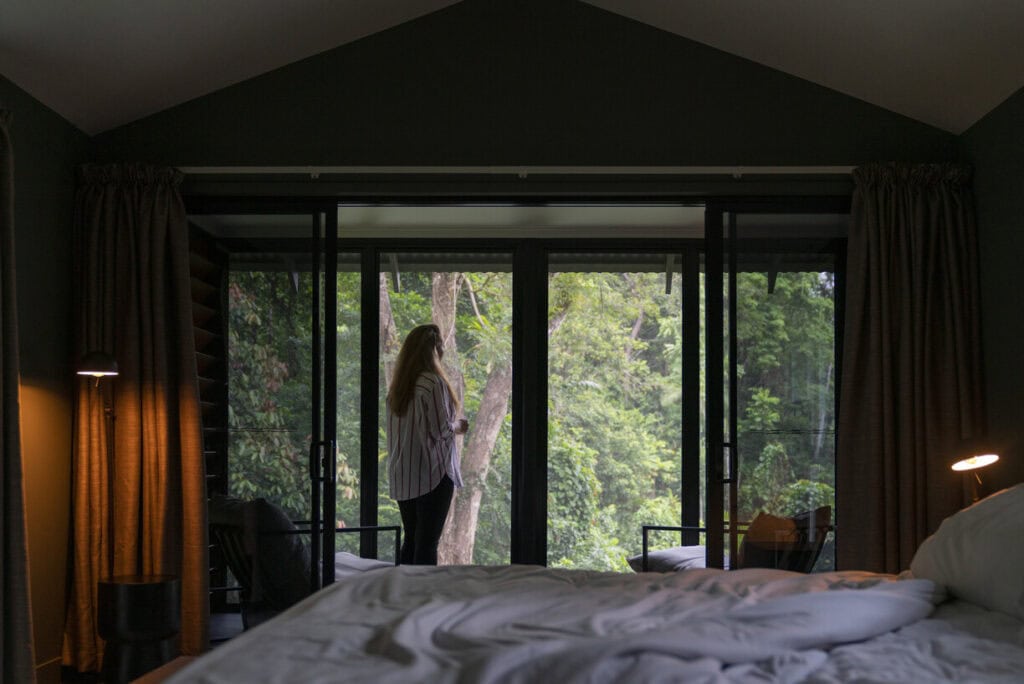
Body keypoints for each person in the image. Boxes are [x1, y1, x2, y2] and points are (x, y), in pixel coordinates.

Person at [386, 323, 468, 565]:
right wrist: (458, 427)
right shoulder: (432, 384)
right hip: (431, 473)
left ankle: (405, 594)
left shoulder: (398, 388)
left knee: (411, 539)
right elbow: (441, 430)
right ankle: (422, 595)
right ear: (435, 351)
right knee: (427, 543)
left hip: (404, 473)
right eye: (440, 347)